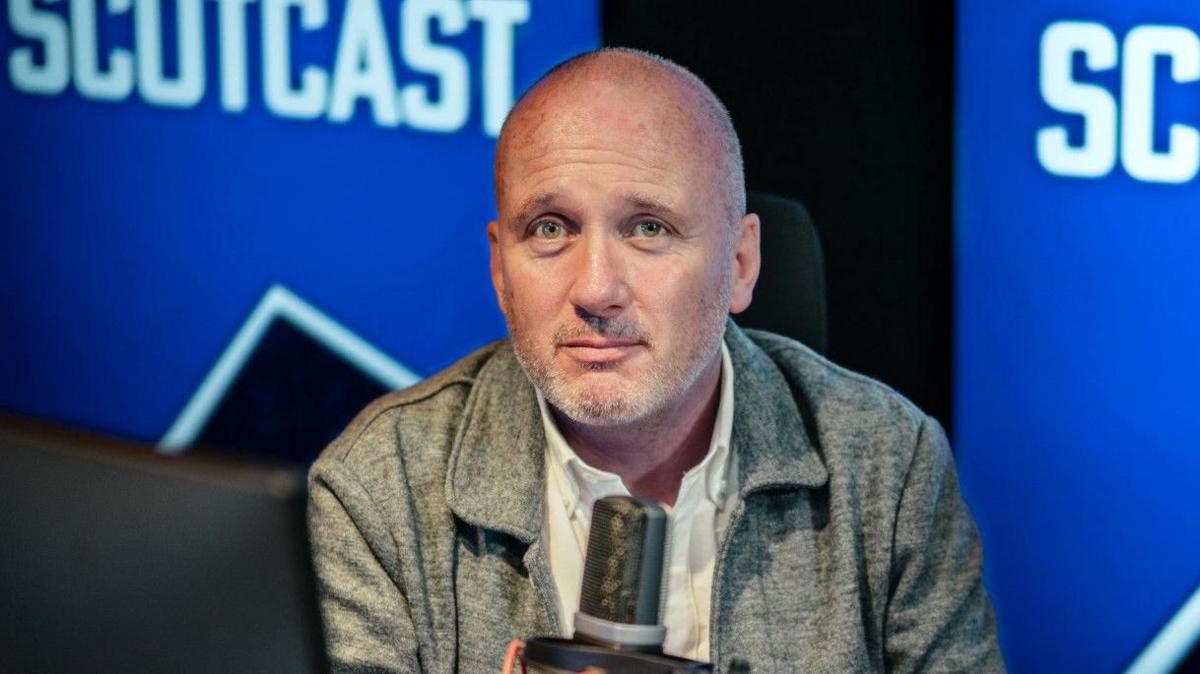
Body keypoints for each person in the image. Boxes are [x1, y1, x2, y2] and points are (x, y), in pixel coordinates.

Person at [307, 47, 1003, 673]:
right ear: (499, 269)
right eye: (550, 230)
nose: (595, 290)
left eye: (649, 229)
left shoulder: (887, 463)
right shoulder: (379, 490)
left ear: (739, 262)